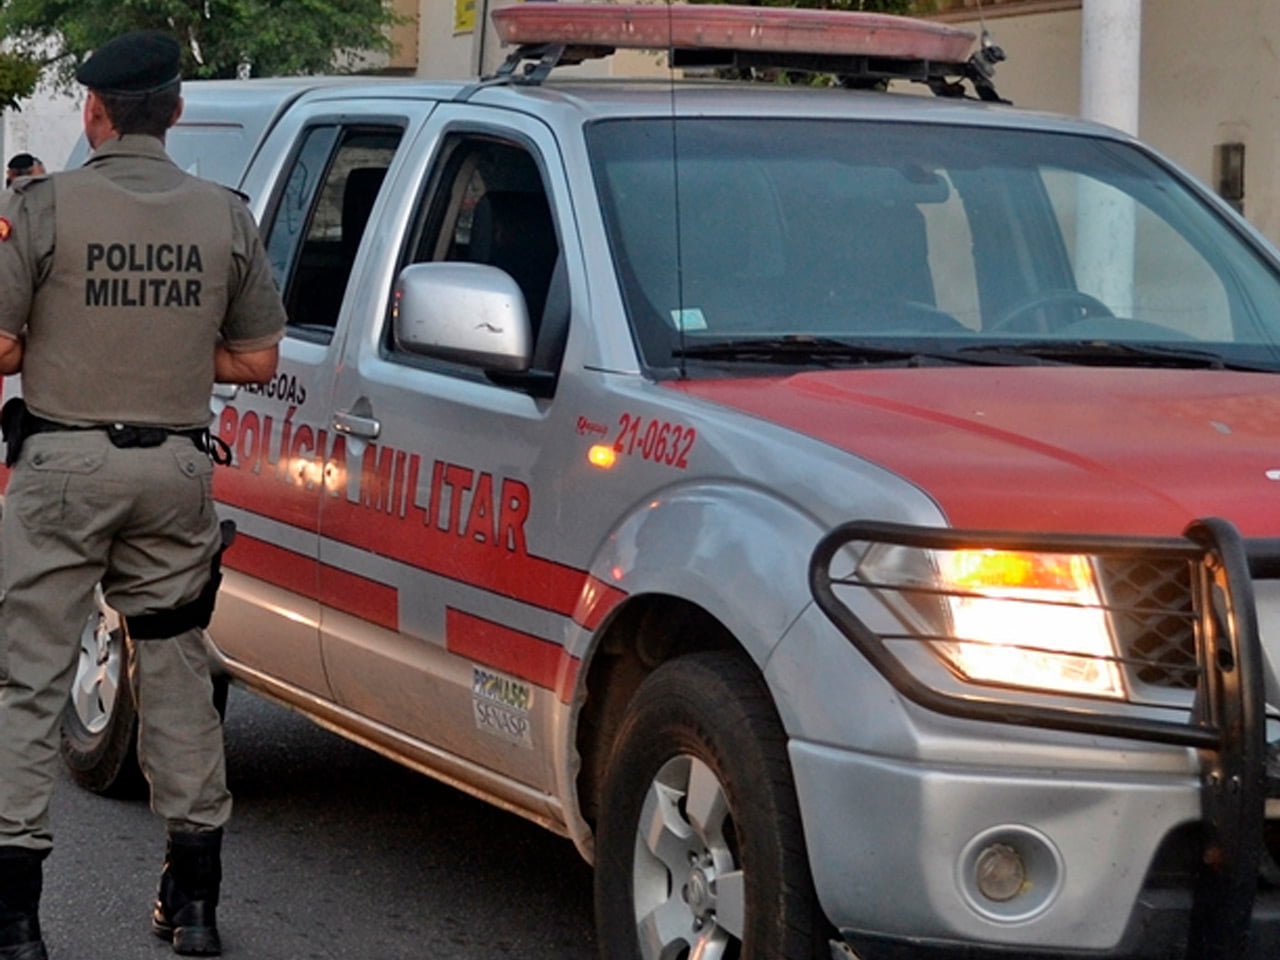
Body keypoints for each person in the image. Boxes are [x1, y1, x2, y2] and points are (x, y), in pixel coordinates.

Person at [0, 29, 287, 959]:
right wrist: (164, 348)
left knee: (29, 681)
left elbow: (2, 348)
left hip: (62, 475)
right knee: (177, 672)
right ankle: (194, 901)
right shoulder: (225, 214)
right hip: (174, 477)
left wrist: (71, 340)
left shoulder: (39, 209)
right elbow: (256, 357)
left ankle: (14, 922)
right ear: (176, 111)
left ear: (92, 111)